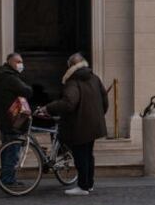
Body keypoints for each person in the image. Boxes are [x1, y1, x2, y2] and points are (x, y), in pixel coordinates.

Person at [44, 53, 108, 196]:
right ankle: (89, 184)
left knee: (80, 155)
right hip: (93, 123)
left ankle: (83, 186)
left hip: (79, 124)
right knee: (88, 154)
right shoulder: (95, 78)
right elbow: (105, 99)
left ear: (71, 66)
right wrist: (98, 115)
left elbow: (69, 103)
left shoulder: (73, 81)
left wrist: (48, 108)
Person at [0, 53, 32, 189]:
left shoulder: (0, 74)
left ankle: (5, 177)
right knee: (13, 151)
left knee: (6, 149)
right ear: (10, 62)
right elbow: (26, 91)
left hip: (3, 118)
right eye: (18, 62)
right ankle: (8, 180)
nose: (21, 64)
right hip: (12, 119)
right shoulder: (9, 77)